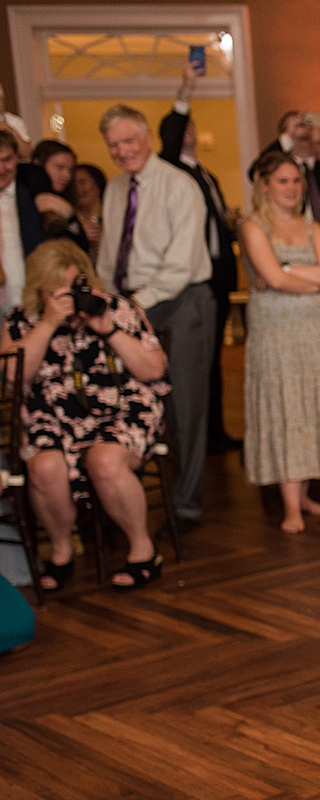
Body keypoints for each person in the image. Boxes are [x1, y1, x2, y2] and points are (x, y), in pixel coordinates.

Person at [7, 239, 169, 591]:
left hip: (125, 407)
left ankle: (143, 548)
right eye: (59, 290)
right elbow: (11, 378)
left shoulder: (117, 309)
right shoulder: (23, 321)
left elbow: (154, 369)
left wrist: (108, 329)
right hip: (54, 417)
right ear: (41, 288)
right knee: (45, 467)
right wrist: (49, 324)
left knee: (105, 460)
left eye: (76, 285)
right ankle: (62, 551)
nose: (70, 297)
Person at [95, 104, 215, 529]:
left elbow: (181, 265)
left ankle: (186, 504)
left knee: (184, 405)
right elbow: (110, 256)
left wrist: (133, 304)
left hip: (180, 301)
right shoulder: (113, 189)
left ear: (146, 138)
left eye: (128, 140)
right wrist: (108, 303)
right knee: (123, 400)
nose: (122, 150)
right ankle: (119, 501)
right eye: (113, 144)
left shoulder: (180, 186)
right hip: (129, 305)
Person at [238, 149, 320, 533]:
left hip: (313, 329)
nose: (290, 188)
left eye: (295, 181)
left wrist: (288, 270)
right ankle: (290, 505)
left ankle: (303, 492)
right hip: (276, 331)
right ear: (265, 185)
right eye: (282, 181)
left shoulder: (313, 227)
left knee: (310, 404)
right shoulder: (253, 225)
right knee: (286, 404)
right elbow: (274, 279)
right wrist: (305, 278)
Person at [160, 58, 240, 455]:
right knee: (195, 364)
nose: (189, 129)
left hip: (219, 274)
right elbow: (172, 134)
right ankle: (194, 437)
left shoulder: (205, 172)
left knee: (214, 361)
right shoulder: (171, 168)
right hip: (193, 278)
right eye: (184, 125)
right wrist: (185, 93)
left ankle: (215, 431)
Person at [0, 131, 46, 314]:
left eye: (6, 160)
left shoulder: (35, 193)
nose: (1, 169)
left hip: (31, 304)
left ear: (17, 157)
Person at [65, 163, 107, 262]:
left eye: (82, 182)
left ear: (98, 184)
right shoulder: (68, 220)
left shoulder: (114, 216)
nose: (78, 188)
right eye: (73, 185)